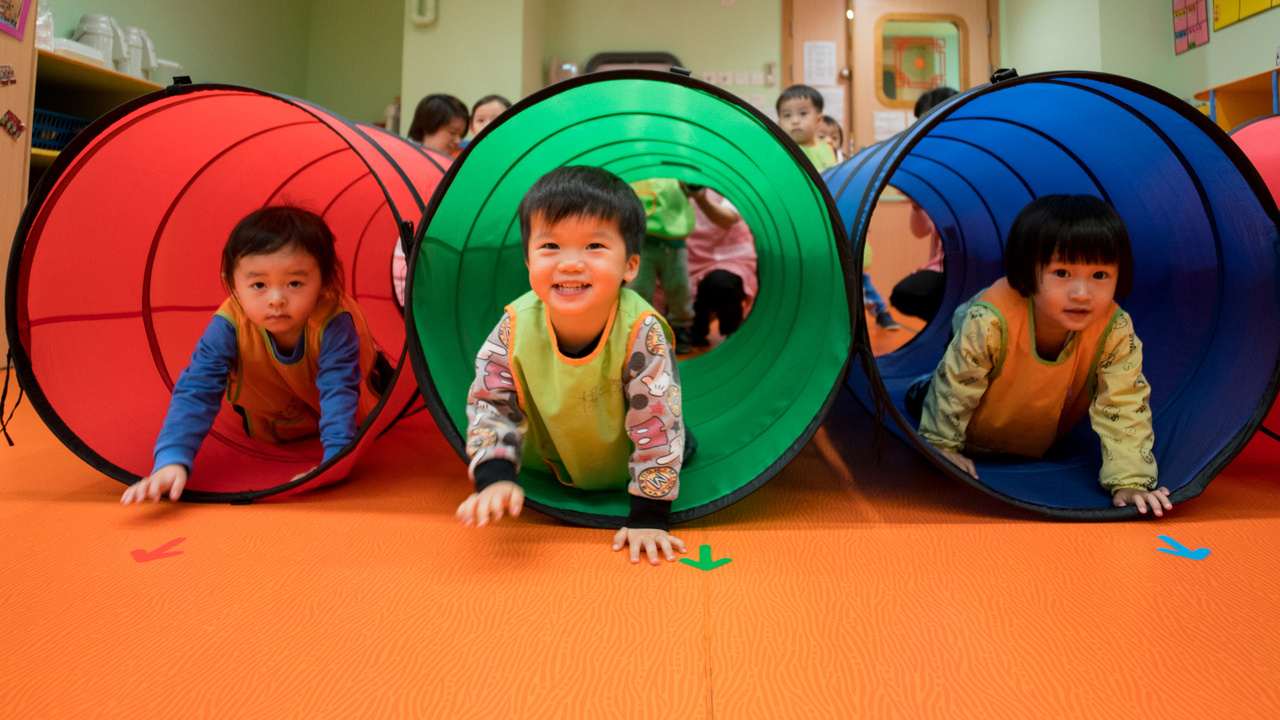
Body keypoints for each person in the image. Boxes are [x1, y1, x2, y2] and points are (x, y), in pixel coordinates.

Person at [456, 166, 692, 564]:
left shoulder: (640, 329)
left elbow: (657, 422)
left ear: (630, 266)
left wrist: (650, 516)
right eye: (550, 246)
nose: (570, 264)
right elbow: (491, 402)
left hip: (628, 454)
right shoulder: (516, 325)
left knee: (674, 434)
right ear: (528, 260)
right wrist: (493, 476)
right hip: (559, 456)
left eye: (594, 247)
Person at [911, 194, 1171, 516]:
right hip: (972, 411)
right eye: (1062, 273)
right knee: (943, 383)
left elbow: (1124, 402)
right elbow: (959, 381)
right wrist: (939, 444)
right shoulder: (992, 319)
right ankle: (921, 386)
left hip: (1033, 425)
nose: (1082, 293)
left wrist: (1132, 480)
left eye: (1100, 275)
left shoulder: (1113, 329)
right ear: (1027, 272)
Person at [121, 207, 385, 504]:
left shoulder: (334, 321)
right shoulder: (228, 326)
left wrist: (335, 461)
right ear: (233, 285)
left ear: (323, 283)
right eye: (258, 285)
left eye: (295, 283)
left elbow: (339, 388)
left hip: (356, 403)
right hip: (280, 421)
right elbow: (197, 388)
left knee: (375, 382)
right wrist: (171, 459)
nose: (276, 299)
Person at [393, 94, 470, 306]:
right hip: (402, 260)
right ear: (428, 127)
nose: (457, 140)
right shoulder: (402, 160)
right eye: (452, 133)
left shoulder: (448, 166)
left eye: (460, 134)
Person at [890, 87, 959, 322]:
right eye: (921, 122)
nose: (925, 129)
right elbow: (920, 232)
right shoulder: (930, 165)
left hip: (968, 263)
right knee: (905, 295)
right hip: (939, 267)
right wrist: (917, 202)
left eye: (932, 120)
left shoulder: (962, 163)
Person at [628, 178, 697, 354]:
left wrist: (690, 184)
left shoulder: (675, 174)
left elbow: (694, 186)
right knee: (639, 288)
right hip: (641, 244)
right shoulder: (635, 173)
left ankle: (681, 328)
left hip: (673, 244)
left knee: (679, 288)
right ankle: (639, 330)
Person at [683, 184, 758, 347]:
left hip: (729, 258)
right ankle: (699, 327)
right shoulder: (674, 183)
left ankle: (732, 328)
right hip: (690, 261)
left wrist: (700, 198)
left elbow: (727, 219)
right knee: (691, 336)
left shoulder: (728, 183)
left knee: (719, 284)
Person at [889, 197, 946, 322]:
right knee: (902, 296)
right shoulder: (940, 199)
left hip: (973, 269)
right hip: (940, 269)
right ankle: (942, 326)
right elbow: (920, 231)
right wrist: (916, 206)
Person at [776, 84, 837, 170]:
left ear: (818, 120)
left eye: (803, 113)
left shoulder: (829, 150)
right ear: (779, 125)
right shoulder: (779, 153)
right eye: (787, 115)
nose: (795, 121)